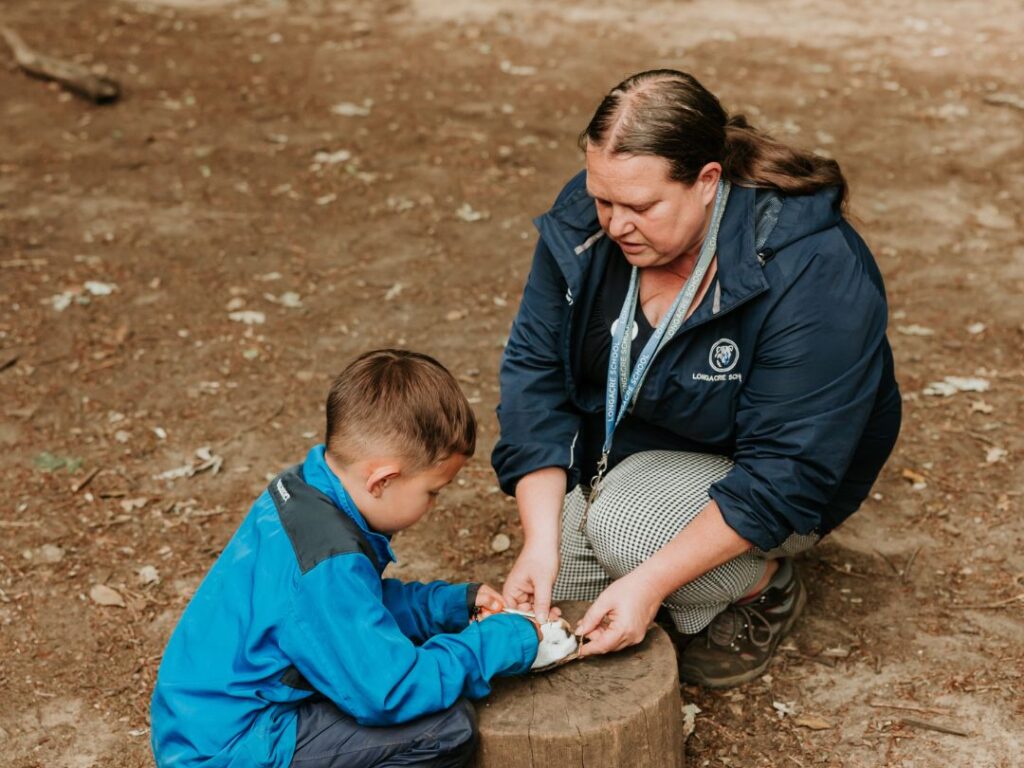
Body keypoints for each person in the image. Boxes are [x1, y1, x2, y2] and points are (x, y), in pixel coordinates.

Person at [493, 69, 901, 688]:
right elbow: (534, 377)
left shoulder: (812, 268)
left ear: (708, 181)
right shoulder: (590, 220)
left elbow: (787, 471)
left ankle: (764, 585)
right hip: (633, 457)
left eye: (640, 206)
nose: (613, 225)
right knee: (555, 588)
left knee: (627, 533)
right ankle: (646, 546)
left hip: (770, 478)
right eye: (602, 198)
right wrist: (538, 542)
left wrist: (652, 581)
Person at [151, 349, 540, 768]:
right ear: (382, 480)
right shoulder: (328, 559)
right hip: (230, 749)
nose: (434, 505)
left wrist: (447, 605)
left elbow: (350, 607)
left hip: (198, 724)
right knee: (444, 729)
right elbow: (391, 691)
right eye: (433, 491)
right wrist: (502, 641)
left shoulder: (303, 491)